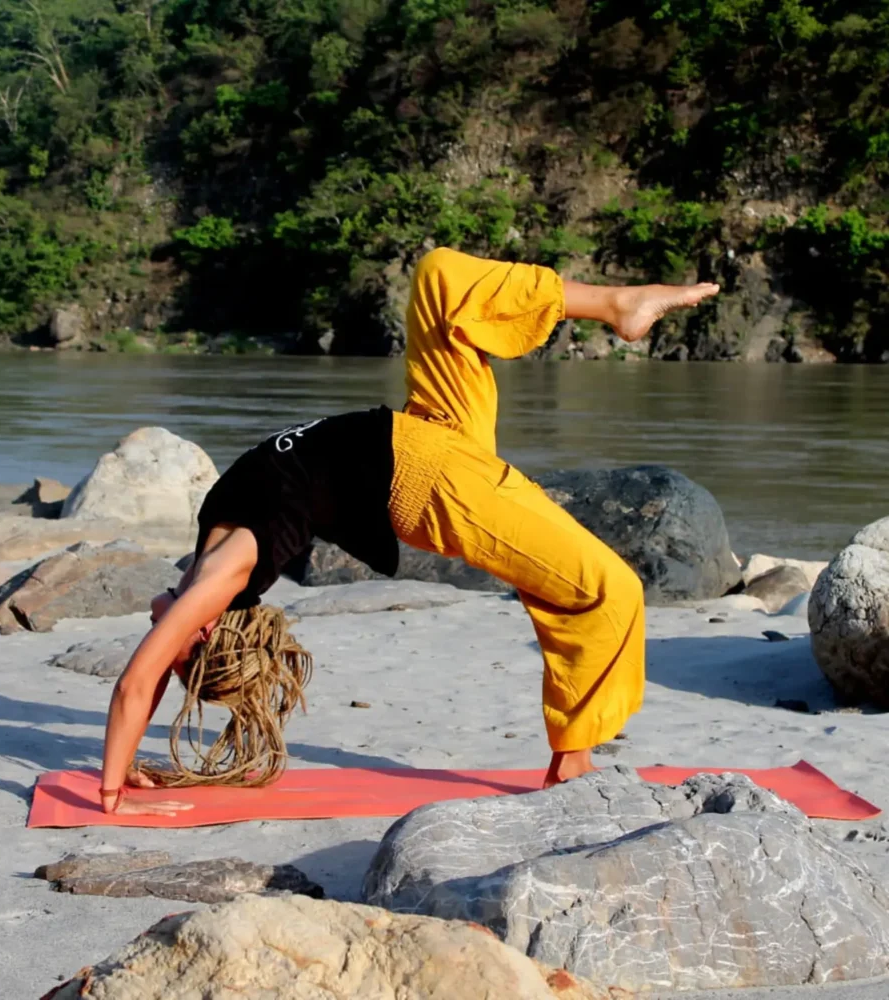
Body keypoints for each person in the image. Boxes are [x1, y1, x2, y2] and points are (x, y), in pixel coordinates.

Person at [98, 247, 720, 816]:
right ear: (206, 629)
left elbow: (156, 657)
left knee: (439, 278)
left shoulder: (209, 541)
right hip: (432, 484)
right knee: (608, 588)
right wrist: (113, 784)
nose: (158, 621)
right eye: (175, 646)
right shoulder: (225, 569)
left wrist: (167, 663)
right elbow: (135, 683)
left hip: (428, 427)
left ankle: (617, 305)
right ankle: (572, 762)